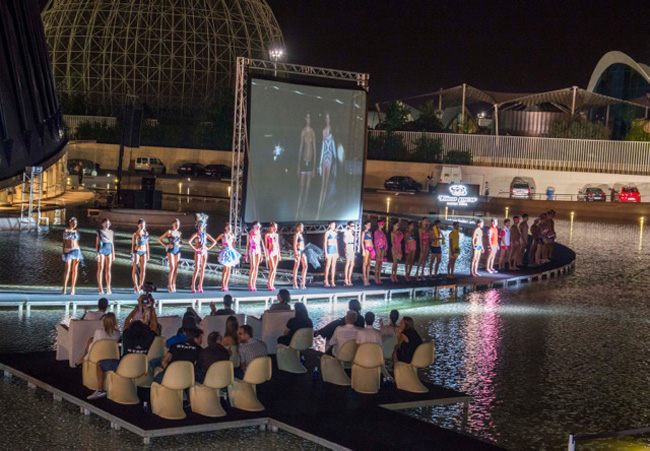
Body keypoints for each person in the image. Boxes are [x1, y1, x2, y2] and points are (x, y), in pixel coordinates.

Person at [87, 320, 156, 400]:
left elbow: (126, 323)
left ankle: (100, 390)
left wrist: (133, 312)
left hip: (124, 367)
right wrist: (153, 313)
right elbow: (154, 326)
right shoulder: (148, 340)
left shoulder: (126, 336)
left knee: (99, 364)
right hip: (139, 368)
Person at [188, 213, 217, 293]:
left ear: (204, 226)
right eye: (200, 226)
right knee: (197, 268)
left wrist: (208, 248)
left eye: (202, 226)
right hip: (198, 251)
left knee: (203, 269)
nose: (201, 227)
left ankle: (200, 285)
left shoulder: (205, 234)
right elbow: (189, 242)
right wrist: (195, 248)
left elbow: (214, 242)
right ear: (198, 226)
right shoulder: (196, 234)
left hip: (204, 251)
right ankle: (193, 285)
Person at [296, 113, 317, 219]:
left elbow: (315, 149)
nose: (308, 119)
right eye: (307, 118)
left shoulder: (312, 132)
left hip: (310, 161)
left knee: (307, 188)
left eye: (309, 118)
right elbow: (301, 147)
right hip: (303, 161)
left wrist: (314, 167)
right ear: (305, 119)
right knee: (302, 187)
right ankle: (298, 210)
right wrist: (298, 165)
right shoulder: (303, 131)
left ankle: (303, 210)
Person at [317, 113, 337, 219]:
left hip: (329, 161)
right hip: (325, 160)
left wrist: (334, 165)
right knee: (323, 186)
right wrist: (319, 165)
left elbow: (334, 153)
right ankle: (319, 209)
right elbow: (322, 150)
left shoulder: (332, 138)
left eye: (328, 118)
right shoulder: (324, 136)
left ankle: (322, 209)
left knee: (325, 185)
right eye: (326, 118)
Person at [157, 218, 183, 293]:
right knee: (172, 267)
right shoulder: (169, 232)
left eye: (178, 224)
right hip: (170, 250)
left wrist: (180, 245)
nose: (177, 226)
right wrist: (166, 245)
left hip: (177, 250)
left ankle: (174, 284)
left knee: (176, 268)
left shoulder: (179, 233)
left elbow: (181, 242)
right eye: (176, 224)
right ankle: (169, 285)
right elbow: (159, 239)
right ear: (173, 224)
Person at [216, 223, 241, 292]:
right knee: (225, 269)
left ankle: (226, 284)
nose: (229, 228)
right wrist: (219, 248)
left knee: (229, 269)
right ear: (225, 228)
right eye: (228, 227)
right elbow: (215, 241)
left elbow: (233, 244)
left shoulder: (232, 235)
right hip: (225, 252)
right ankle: (223, 284)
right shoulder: (223, 235)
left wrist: (232, 249)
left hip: (230, 252)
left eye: (230, 227)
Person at [62, 217, 81, 295]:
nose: (74, 224)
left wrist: (79, 254)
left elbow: (78, 243)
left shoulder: (77, 231)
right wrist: (63, 253)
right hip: (68, 250)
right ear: (70, 223)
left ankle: (72, 287)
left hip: (76, 250)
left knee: (75, 270)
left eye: (75, 223)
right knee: (67, 269)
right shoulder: (66, 231)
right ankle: (64, 287)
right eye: (73, 223)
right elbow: (64, 243)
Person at [95, 218, 115, 295]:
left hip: (108, 249)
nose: (107, 225)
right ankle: (100, 287)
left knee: (108, 269)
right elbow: (97, 243)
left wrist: (113, 254)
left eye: (108, 224)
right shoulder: (99, 232)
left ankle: (108, 287)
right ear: (102, 224)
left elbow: (112, 243)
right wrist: (97, 253)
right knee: (100, 268)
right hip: (101, 250)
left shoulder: (111, 232)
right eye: (106, 223)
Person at [131, 218, 150, 294]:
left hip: (144, 252)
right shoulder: (135, 234)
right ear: (138, 225)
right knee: (135, 268)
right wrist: (132, 254)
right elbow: (133, 245)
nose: (142, 227)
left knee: (143, 269)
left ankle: (141, 285)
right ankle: (135, 286)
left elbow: (147, 244)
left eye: (143, 225)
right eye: (141, 225)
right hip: (137, 251)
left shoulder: (146, 233)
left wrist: (148, 254)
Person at [246, 221, 265, 292]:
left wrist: (261, 254)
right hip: (252, 250)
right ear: (254, 226)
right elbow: (247, 245)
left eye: (259, 226)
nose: (258, 227)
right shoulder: (250, 234)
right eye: (257, 225)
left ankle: (254, 283)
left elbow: (259, 244)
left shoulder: (259, 233)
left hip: (258, 250)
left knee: (256, 268)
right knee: (253, 267)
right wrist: (246, 255)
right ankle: (250, 283)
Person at [264, 222, 280, 291]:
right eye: (274, 227)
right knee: (272, 268)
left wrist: (279, 254)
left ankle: (271, 283)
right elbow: (266, 246)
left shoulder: (276, 235)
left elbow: (277, 244)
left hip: (276, 252)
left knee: (275, 269)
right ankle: (269, 283)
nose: (275, 228)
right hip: (270, 252)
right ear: (271, 227)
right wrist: (267, 255)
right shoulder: (267, 235)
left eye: (276, 227)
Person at [292, 223, 308, 289]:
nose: (302, 228)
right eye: (301, 227)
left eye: (302, 227)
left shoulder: (301, 235)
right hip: (298, 250)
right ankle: (294, 282)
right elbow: (294, 245)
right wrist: (296, 252)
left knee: (305, 265)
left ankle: (302, 282)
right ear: (297, 228)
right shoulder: (296, 235)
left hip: (303, 251)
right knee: (296, 266)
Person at [323, 221, 338, 287]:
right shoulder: (327, 233)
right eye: (332, 225)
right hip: (329, 248)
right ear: (329, 226)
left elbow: (336, 243)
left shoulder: (335, 233)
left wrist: (337, 252)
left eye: (334, 225)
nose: (334, 226)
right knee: (328, 265)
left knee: (333, 266)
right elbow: (325, 242)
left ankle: (332, 280)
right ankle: (326, 280)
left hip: (334, 249)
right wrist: (326, 252)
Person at [374, 220, 388, 285]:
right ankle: (376, 277)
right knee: (378, 261)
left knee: (381, 262)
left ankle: (379, 276)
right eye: (381, 224)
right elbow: (376, 240)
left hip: (383, 247)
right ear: (378, 224)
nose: (382, 225)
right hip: (378, 247)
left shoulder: (383, 232)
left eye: (383, 224)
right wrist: (377, 247)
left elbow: (385, 241)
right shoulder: (376, 232)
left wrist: (385, 249)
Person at [361, 221, 374, 286]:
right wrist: (363, 250)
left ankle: (368, 277)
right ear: (365, 225)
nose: (369, 226)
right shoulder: (364, 232)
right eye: (368, 225)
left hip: (371, 248)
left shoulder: (370, 232)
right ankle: (364, 278)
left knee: (369, 263)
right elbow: (362, 242)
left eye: (370, 225)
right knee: (365, 263)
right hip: (366, 248)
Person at [343, 221, 355, 287]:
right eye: (351, 226)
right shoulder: (346, 232)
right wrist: (346, 250)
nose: (353, 227)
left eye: (353, 226)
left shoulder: (352, 233)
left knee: (352, 264)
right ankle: (346, 279)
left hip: (352, 247)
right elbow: (345, 241)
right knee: (347, 263)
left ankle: (349, 278)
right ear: (349, 226)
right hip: (348, 247)